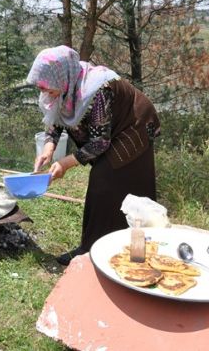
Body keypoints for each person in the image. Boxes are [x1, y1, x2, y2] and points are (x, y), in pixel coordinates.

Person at [28, 45, 161, 266]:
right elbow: (56, 117)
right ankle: (109, 247)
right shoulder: (64, 84)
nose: (46, 94)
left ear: (62, 77)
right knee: (113, 184)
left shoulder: (96, 89)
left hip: (133, 126)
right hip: (112, 130)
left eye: (48, 89)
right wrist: (48, 147)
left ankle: (97, 249)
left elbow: (101, 142)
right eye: (42, 90)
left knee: (107, 180)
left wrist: (66, 163)